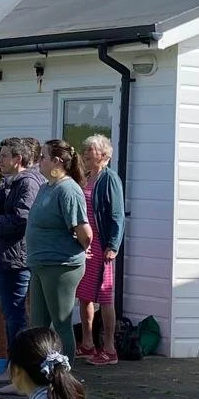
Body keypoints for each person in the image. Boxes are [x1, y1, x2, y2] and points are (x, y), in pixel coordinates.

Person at [25, 139, 92, 360]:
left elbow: (85, 232)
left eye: (42, 157)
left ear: (56, 161)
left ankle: (65, 380)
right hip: (41, 264)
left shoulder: (68, 189)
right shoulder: (47, 187)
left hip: (60, 265)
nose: (38, 162)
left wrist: (82, 249)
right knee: (37, 326)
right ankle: (37, 378)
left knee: (61, 323)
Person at [0, 138, 41, 379]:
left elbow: (21, 220)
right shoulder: (10, 181)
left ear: (18, 159)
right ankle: (14, 366)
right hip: (5, 256)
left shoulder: (28, 182)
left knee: (17, 316)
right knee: (12, 315)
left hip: (17, 258)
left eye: (5, 156)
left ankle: (19, 371)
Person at [76, 135, 126, 367]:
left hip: (101, 244)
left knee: (104, 297)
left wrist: (113, 246)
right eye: (85, 150)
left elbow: (117, 214)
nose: (86, 153)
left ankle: (109, 348)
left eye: (91, 150)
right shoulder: (87, 177)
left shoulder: (109, 178)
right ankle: (87, 343)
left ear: (104, 155)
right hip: (85, 244)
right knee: (84, 296)